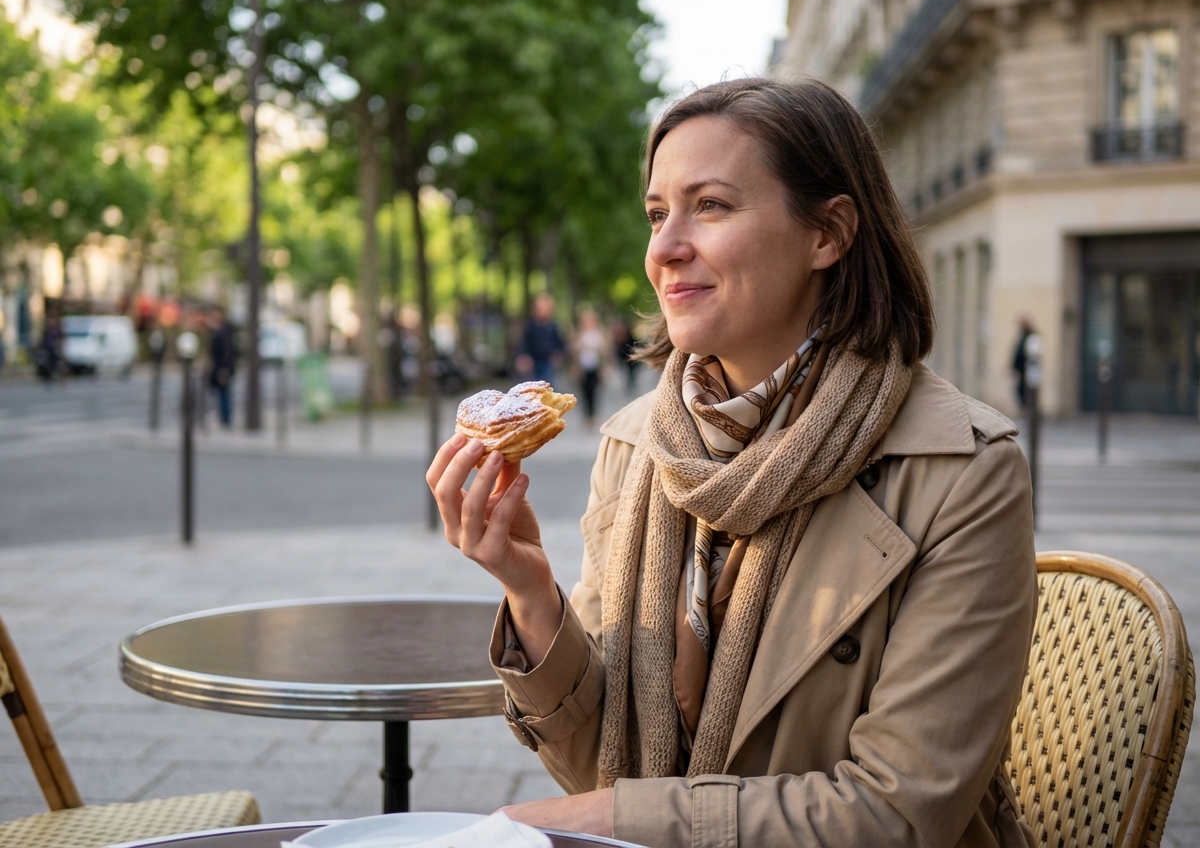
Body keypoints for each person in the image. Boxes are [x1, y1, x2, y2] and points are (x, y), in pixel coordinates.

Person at [427, 78, 1036, 847]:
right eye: (656, 214)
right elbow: (600, 766)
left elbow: (899, 814)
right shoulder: (636, 445)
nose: (663, 247)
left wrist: (615, 815)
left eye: (709, 206)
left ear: (828, 233)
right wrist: (529, 589)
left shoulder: (964, 470)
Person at [515, 293, 566, 386]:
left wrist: (558, 353)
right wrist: (523, 356)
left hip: (548, 362)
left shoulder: (554, 326)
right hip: (534, 362)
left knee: (547, 383)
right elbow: (525, 343)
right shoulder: (531, 326)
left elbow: (560, 343)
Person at [574, 309, 607, 428]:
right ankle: (586, 416)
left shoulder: (599, 334)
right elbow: (574, 353)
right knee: (584, 392)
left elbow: (605, 353)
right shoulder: (579, 334)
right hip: (583, 368)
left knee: (594, 391)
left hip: (595, 367)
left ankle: (593, 415)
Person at [208, 311, 237, 428]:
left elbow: (226, 353)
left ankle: (225, 418)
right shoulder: (224, 332)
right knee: (223, 394)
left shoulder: (222, 333)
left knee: (224, 394)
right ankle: (224, 418)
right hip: (223, 368)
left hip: (222, 368)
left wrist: (224, 369)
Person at [1012, 317, 1035, 411]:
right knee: (1020, 392)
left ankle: (1029, 413)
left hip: (1028, 372)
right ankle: (1026, 411)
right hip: (1022, 371)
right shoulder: (1023, 337)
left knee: (1028, 394)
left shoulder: (1031, 338)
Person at [611, 318, 639, 395]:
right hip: (623, 357)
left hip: (630, 357)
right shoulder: (617, 338)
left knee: (631, 372)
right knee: (626, 373)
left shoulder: (630, 338)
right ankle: (628, 386)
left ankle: (631, 385)